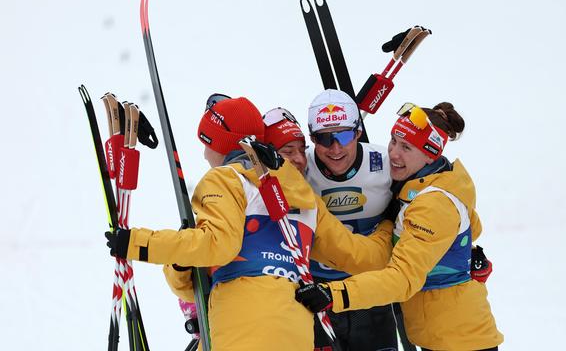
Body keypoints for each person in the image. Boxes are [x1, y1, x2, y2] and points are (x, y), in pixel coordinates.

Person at [105, 96, 393, 350]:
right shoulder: (305, 196)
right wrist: (387, 224)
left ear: (219, 145)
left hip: (241, 325)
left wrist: (136, 243)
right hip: (294, 329)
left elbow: (217, 246)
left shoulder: (225, 179)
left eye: (206, 144)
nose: (205, 155)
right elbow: (359, 256)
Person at [296, 102, 504, 350]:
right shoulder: (419, 189)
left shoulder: (432, 202)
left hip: (460, 340)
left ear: (431, 154)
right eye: (393, 141)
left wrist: (333, 295)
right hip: (441, 335)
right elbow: (469, 229)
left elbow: (402, 278)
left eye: (406, 147)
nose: (393, 154)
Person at [304, 89, 399, 350]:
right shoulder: (300, 169)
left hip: (370, 294)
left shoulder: (385, 164)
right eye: (325, 138)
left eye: (344, 135)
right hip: (316, 297)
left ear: (358, 132)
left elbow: (428, 200)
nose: (335, 148)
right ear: (312, 139)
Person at [263, 107, 307, 173]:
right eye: (288, 152)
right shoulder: (246, 182)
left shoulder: (312, 181)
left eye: (302, 152)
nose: (301, 160)